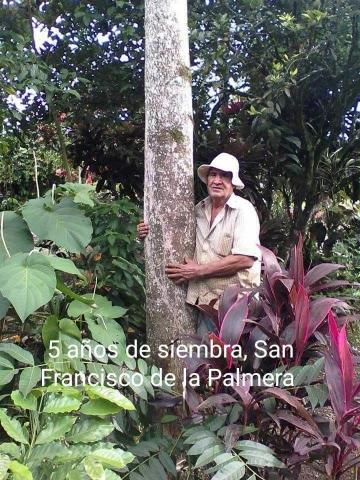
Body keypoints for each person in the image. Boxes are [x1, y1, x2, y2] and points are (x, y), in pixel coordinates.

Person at [137, 153, 261, 333]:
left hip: (236, 306)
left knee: (227, 359)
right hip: (204, 302)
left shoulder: (243, 211)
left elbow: (245, 259)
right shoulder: (199, 210)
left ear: (233, 181)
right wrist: (146, 231)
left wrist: (198, 271)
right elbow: (172, 231)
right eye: (213, 175)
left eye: (224, 175)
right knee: (204, 356)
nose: (217, 180)